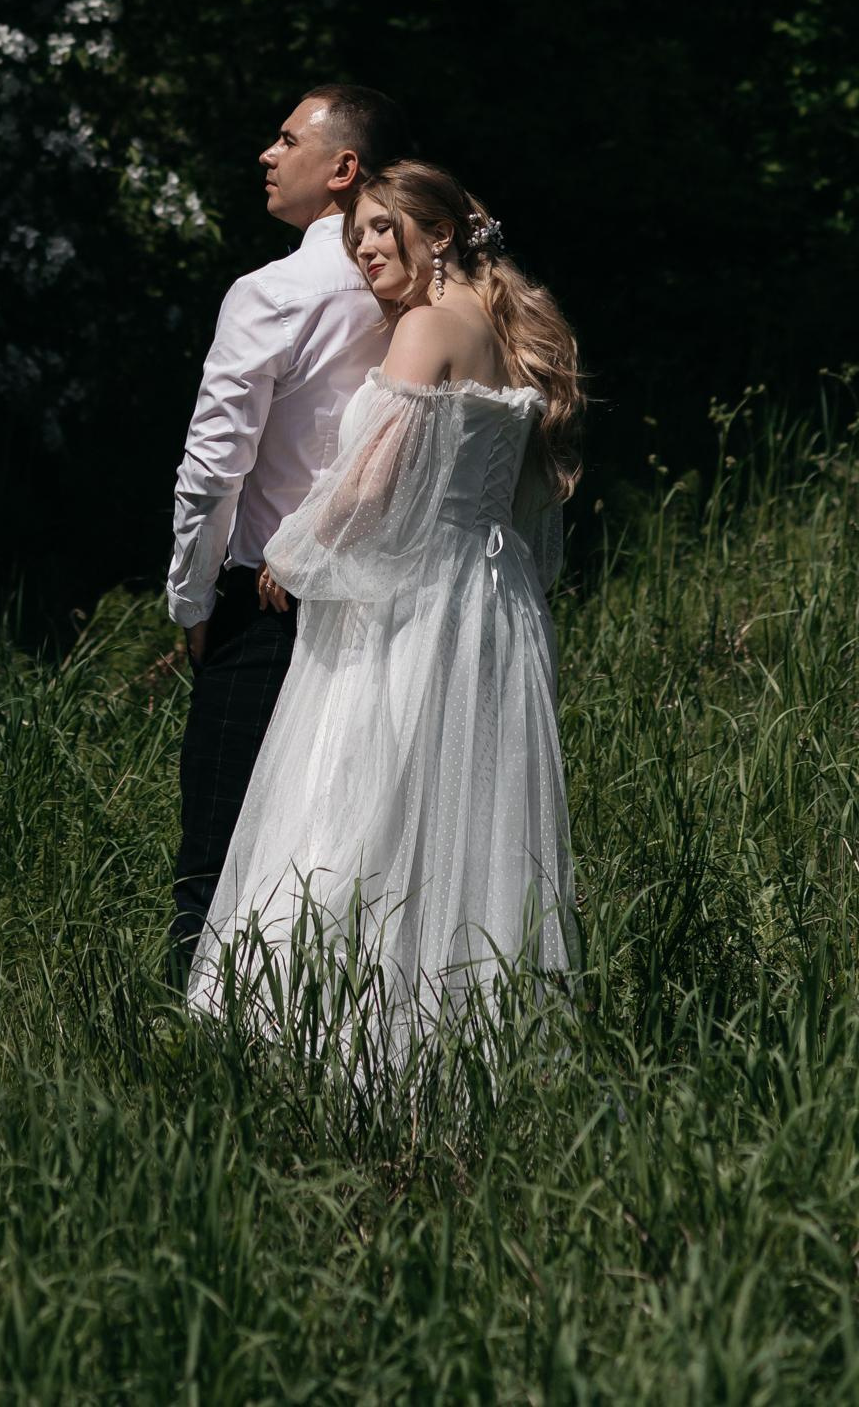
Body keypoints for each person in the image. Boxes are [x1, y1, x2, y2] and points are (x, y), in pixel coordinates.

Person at [187, 159, 582, 1050]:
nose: (363, 248)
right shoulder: (505, 328)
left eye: (379, 228)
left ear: (437, 235)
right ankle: (461, 1029)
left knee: (355, 798)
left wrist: (294, 553)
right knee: (461, 812)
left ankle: (319, 1027)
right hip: (492, 599)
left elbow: (371, 482)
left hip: (413, 599)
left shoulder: (424, 328)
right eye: (355, 232)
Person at [166, 83, 410, 976]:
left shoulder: (273, 294)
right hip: (389, 606)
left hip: (267, 608)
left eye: (285, 140)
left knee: (219, 854)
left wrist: (192, 600)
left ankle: (193, 1032)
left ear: (343, 168)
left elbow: (213, 469)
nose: (267, 156)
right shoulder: (417, 298)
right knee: (342, 854)